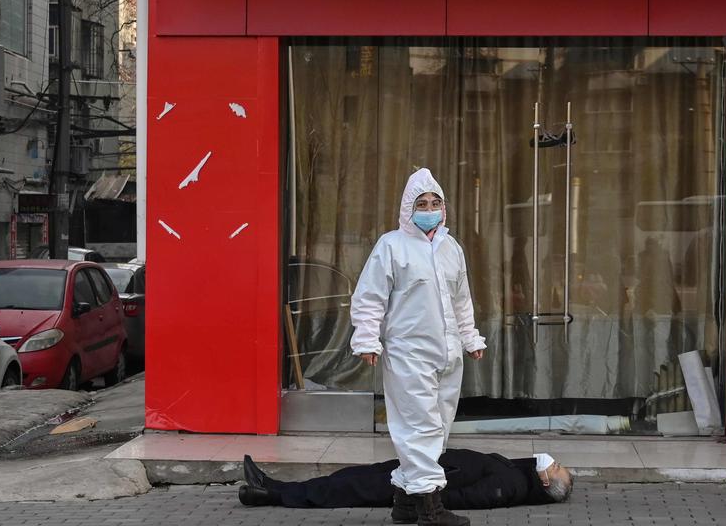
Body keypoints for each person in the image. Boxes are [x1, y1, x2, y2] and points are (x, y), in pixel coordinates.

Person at [351, 168, 487, 526]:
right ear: (407, 209)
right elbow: (370, 297)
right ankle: (431, 510)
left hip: (447, 354)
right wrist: (367, 338)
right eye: (421, 203)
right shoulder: (392, 246)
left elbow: (461, 300)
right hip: (408, 353)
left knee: (437, 427)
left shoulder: (450, 247)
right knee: (419, 428)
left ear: (444, 208)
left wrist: (470, 337)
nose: (429, 208)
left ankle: (405, 503)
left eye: (435, 202)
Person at [236, 450, 574, 515]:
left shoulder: (512, 487)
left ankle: (268, 494)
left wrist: (420, 498)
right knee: (350, 477)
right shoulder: (520, 474)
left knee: (345, 490)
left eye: (556, 467)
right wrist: (537, 464)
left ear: (547, 483)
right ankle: (271, 486)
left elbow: (469, 497)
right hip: (420, 464)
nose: (553, 462)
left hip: (418, 481)